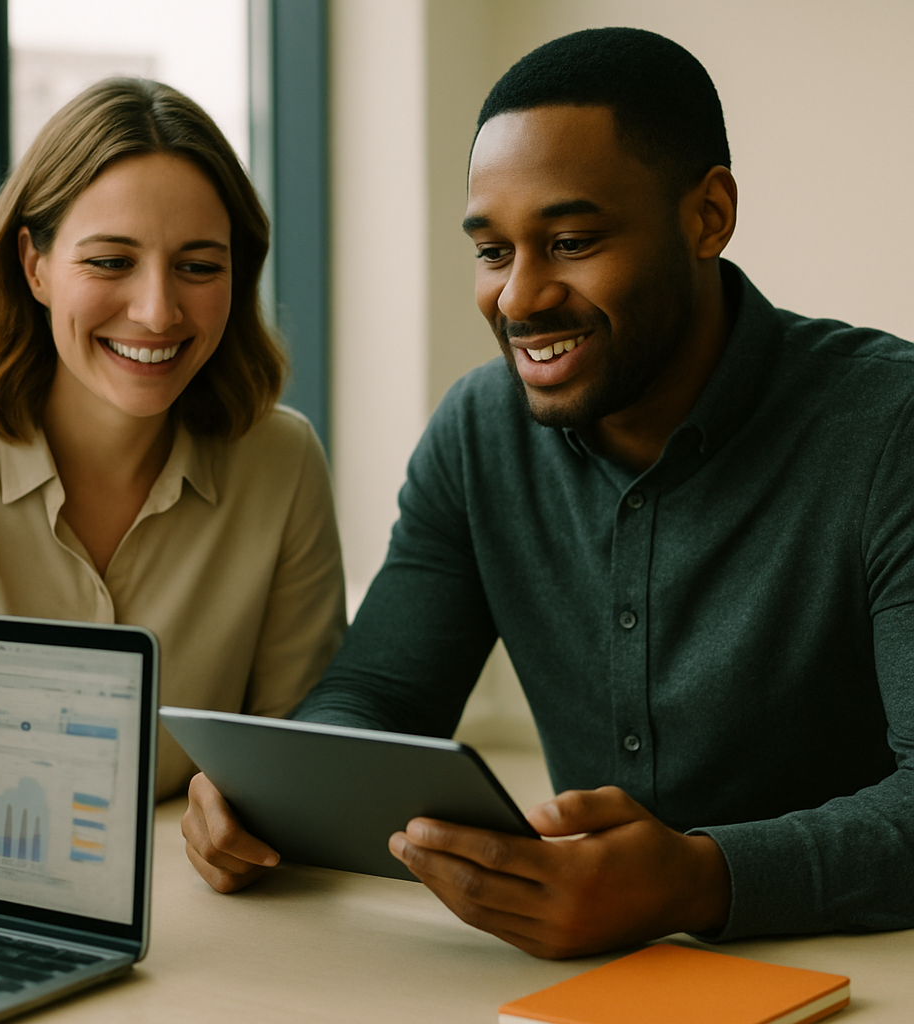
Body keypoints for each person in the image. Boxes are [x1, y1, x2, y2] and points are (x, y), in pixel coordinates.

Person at [182, 28, 914, 956]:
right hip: (588, 983)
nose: (519, 298)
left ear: (709, 215)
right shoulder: (477, 430)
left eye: (571, 241)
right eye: (493, 251)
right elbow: (379, 695)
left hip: (865, 967)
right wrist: (270, 792)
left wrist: (695, 879)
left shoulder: (890, 427)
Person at [0, 78, 346, 800]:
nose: (158, 311)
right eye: (110, 262)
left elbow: (299, 754)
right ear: (34, 266)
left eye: (199, 267)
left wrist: (250, 823)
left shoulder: (282, 464)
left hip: (205, 904)